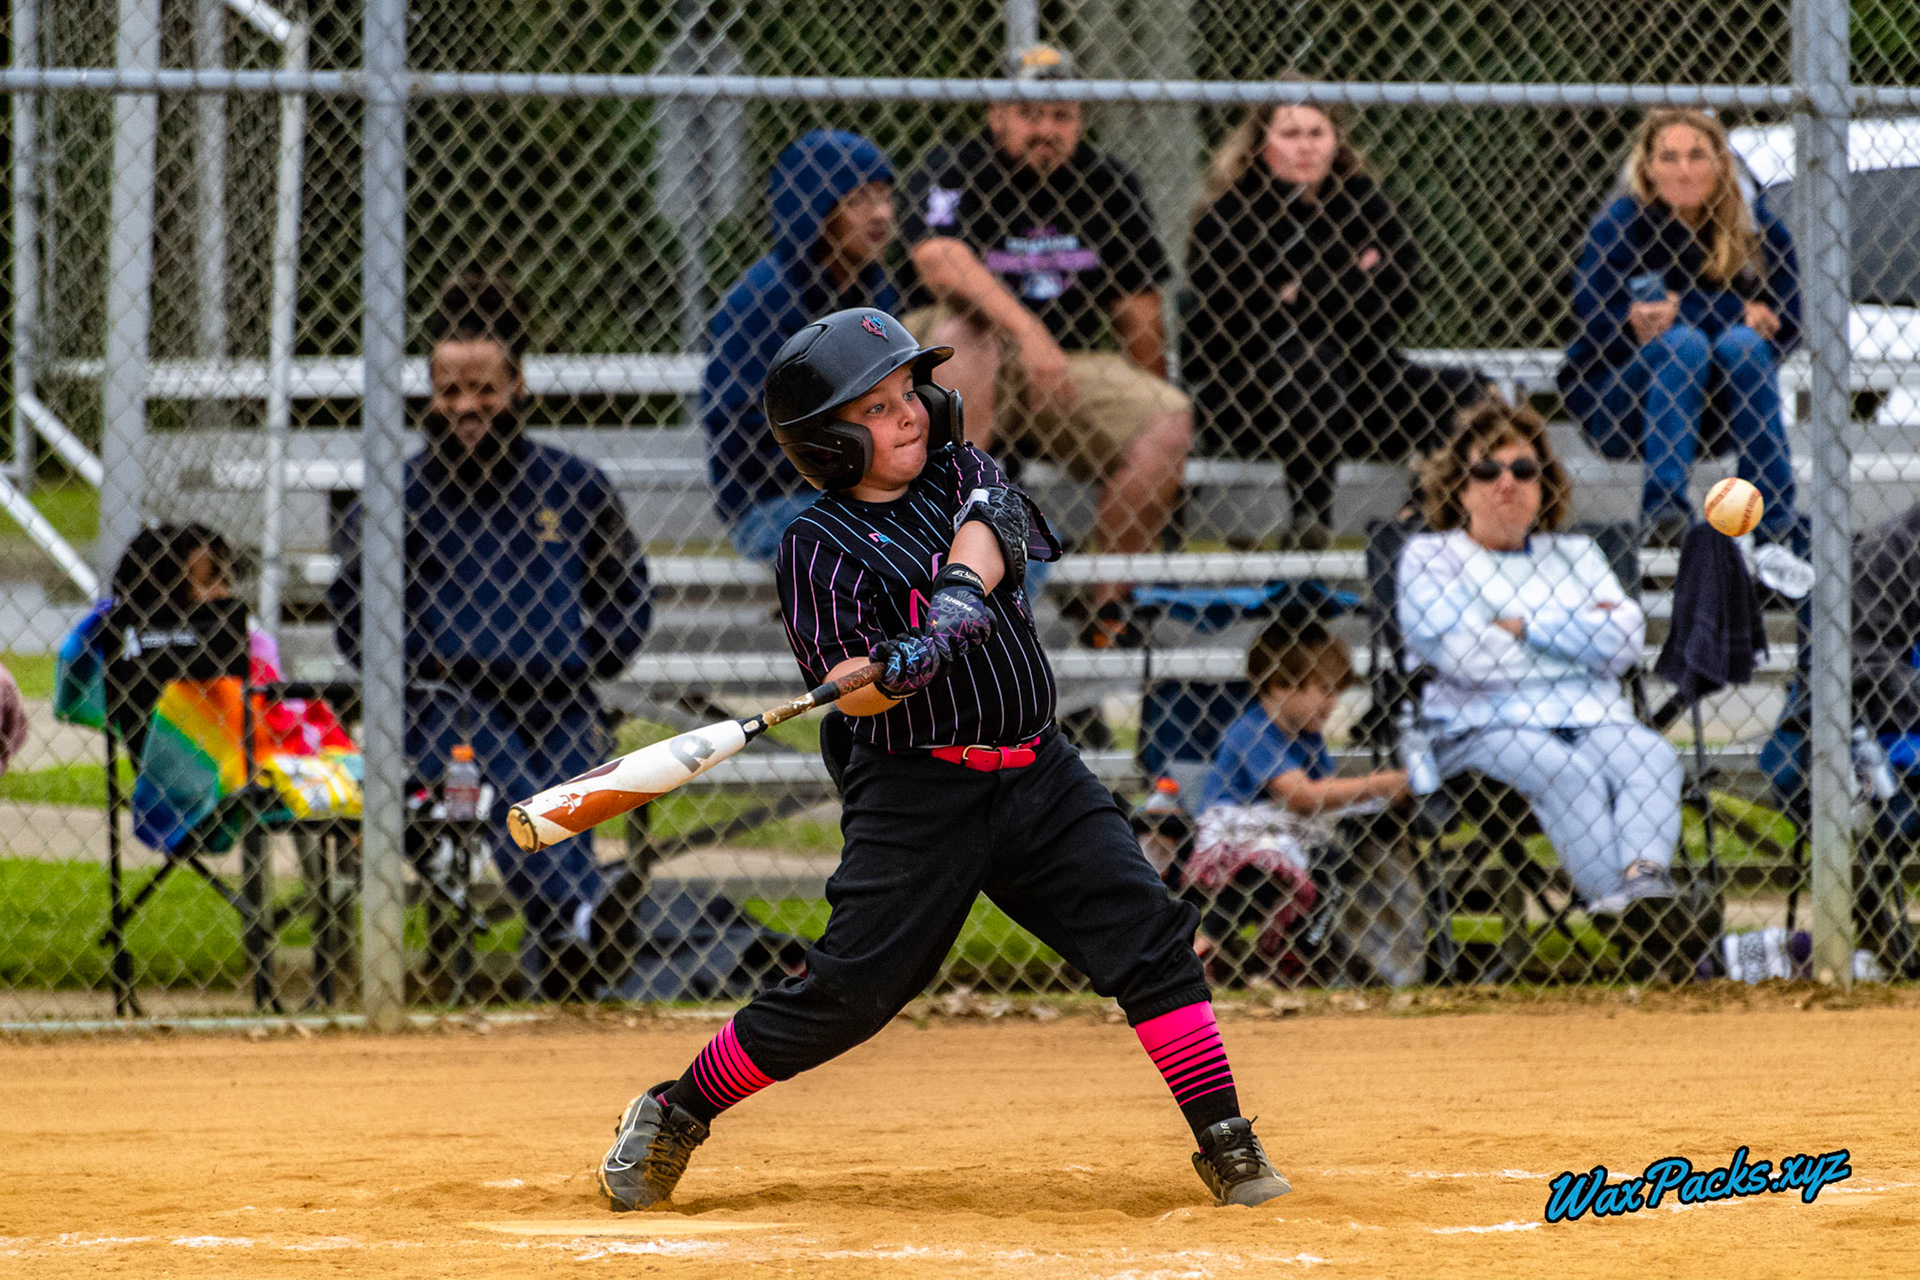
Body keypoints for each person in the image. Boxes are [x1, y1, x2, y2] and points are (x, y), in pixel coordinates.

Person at [593, 307, 1290, 1213]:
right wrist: (888, 672)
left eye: (905, 394)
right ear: (830, 444)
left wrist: (950, 611)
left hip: (1040, 773)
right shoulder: (814, 548)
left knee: (1150, 939)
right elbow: (851, 687)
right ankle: (674, 1112)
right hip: (918, 792)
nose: (909, 414)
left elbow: (991, 533)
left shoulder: (967, 469)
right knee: (849, 994)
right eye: (876, 410)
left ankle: (1226, 1140)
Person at [328, 272, 653, 998]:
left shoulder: (575, 486)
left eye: (483, 389)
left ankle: (572, 939)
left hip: (561, 695)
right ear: (429, 397)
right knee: (516, 791)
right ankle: (580, 914)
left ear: (517, 387)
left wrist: (585, 657)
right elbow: (351, 609)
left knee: (577, 788)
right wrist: (413, 670)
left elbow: (627, 592)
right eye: (449, 392)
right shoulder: (396, 496)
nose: (466, 407)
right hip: (447, 699)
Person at [899, 43, 1192, 648]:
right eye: (1032, 114)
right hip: (960, 365)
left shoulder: (1106, 182)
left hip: (1056, 370)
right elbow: (939, 260)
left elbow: (1139, 310)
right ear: (997, 114)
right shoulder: (954, 169)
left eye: (1062, 117)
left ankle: (1108, 611)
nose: (1047, 131)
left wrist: (1148, 389)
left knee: (1166, 419)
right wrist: (1028, 332)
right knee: (965, 336)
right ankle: (950, 571)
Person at [1398, 397, 1683, 944]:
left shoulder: (1576, 554)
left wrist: (1521, 626)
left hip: (1590, 714)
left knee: (1654, 756)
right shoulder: (1431, 557)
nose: (1507, 482)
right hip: (1480, 724)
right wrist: (1575, 633)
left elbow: (1624, 640)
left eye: (1524, 469)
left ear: (1543, 483)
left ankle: (1645, 887)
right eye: (1488, 469)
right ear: (1461, 486)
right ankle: (1622, 913)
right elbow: (1462, 656)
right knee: (1566, 770)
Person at [1185, 102, 1485, 549]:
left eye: (1317, 132)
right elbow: (1248, 314)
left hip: (1360, 377)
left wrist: (1301, 290)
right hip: (1253, 394)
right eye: (1290, 134)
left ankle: (1422, 513)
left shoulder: (1363, 201)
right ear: (1261, 145)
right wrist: (1351, 277)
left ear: (1336, 142)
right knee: (1313, 363)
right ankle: (1311, 521)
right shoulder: (1229, 214)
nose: (1305, 146)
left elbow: (1403, 290)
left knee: (1468, 391)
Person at [1559, 108, 1802, 548]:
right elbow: (1596, 322)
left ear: (1719, 162)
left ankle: (1774, 519)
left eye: (1697, 155)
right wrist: (1728, 311)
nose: (1684, 170)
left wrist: (1690, 312)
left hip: (1714, 416)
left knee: (1744, 345)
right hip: (1618, 409)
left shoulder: (1754, 227)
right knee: (1685, 345)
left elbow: (1789, 321)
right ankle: (1664, 511)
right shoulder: (1620, 225)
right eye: (1668, 157)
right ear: (1648, 168)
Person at [56, 523, 358, 854]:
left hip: (271, 766)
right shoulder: (125, 646)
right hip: (215, 779)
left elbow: (282, 713)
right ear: (163, 587)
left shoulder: (245, 645)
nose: (223, 593)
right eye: (209, 581)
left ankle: (340, 885)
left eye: (225, 581)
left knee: (336, 760)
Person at [1186, 620, 1420, 987]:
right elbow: (1302, 796)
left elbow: (1321, 794)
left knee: (1334, 862)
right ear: (1281, 686)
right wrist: (1381, 784)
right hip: (1235, 835)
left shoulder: (1308, 738)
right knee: (1270, 857)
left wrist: (1379, 800)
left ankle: (1295, 958)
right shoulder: (1255, 730)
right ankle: (1204, 946)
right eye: (1324, 690)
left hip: (1287, 834)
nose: (1333, 703)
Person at [703, 129, 899, 560]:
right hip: (775, 503)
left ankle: (949, 630)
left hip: (869, 494)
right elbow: (743, 424)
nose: (882, 214)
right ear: (816, 212)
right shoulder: (764, 298)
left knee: (1006, 535)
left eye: (885, 196)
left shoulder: (877, 292)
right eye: (859, 201)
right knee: (887, 550)